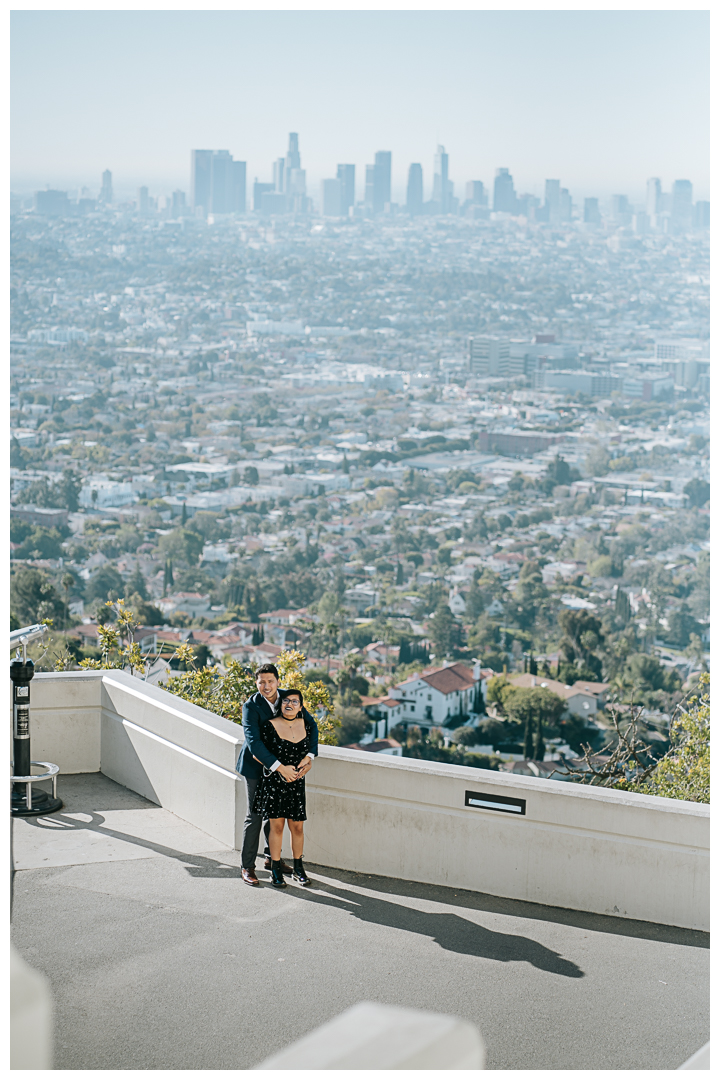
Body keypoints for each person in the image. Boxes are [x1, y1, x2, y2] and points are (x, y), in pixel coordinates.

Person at [236, 664, 318, 886]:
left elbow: (311, 724)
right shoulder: (250, 706)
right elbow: (254, 743)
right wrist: (280, 767)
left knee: (275, 815)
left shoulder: (288, 698)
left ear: (278, 681)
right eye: (261, 682)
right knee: (254, 816)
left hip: (284, 770)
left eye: (270, 681)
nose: (266, 686)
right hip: (256, 769)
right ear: (256, 683)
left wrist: (310, 756)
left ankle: (272, 859)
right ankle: (247, 866)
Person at [252, 688, 313, 888]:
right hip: (275, 783)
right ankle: (276, 869)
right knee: (276, 827)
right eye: (286, 700)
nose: (289, 704)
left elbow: (311, 749)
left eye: (295, 702)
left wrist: (308, 761)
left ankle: (298, 869)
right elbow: (257, 754)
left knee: (297, 827)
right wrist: (280, 769)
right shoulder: (270, 726)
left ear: (301, 707)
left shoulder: (307, 725)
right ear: (281, 704)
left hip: (296, 783)